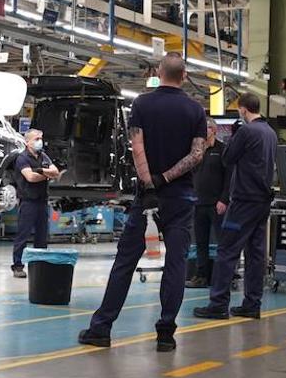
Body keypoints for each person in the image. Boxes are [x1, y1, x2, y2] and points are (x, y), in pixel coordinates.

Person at [79, 53, 207, 353]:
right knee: (176, 264)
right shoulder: (195, 110)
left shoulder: (142, 103)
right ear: (184, 76)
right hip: (181, 198)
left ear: (158, 72)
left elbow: (138, 147)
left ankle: (102, 328)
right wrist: (166, 178)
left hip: (148, 198)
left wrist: (150, 184)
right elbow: (197, 154)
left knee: (125, 263)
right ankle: (165, 333)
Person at [194, 93, 277, 321]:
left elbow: (227, 158)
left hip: (243, 201)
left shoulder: (246, 131)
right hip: (262, 201)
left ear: (242, 110)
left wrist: (233, 135)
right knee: (256, 254)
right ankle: (252, 304)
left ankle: (218, 304)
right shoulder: (270, 132)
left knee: (227, 251)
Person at [11, 129, 61, 279]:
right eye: (36, 139)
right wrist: (47, 175)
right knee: (23, 235)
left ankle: (40, 264)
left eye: (41, 138)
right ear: (28, 142)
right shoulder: (22, 158)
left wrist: (41, 171)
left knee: (42, 236)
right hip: (28, 202)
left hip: (42, 201)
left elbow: (56, 171)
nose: (40, 141)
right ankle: (18, 266)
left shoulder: (43, 156)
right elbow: (30, 177)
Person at [187, 119, 230, 289]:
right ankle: (201, 275)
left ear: (214, 130)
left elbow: (229, 178)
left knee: (223, 243)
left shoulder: (222, 150)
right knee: (200, 242)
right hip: (198, 203)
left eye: (206, 129)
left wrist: (224, 199)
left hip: (217, 204)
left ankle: (223, 276)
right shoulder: (197, 152)